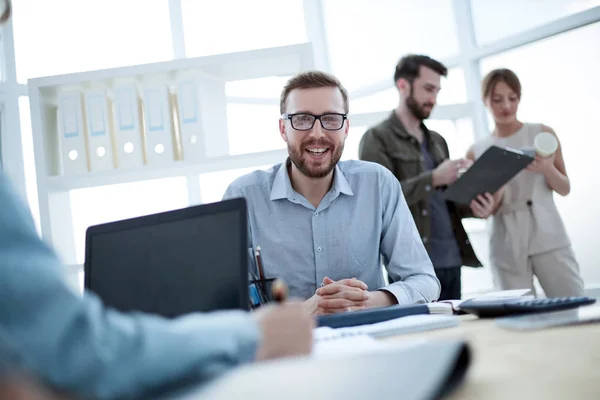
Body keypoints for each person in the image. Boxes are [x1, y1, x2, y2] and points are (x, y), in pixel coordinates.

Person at [0, 1, 313, 399]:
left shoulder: (376, 183)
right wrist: (253, 334)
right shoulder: (245, 191)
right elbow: (76, 350)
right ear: (282, 128)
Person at [223, 70, 440, 315]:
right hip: (286, 348)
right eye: (303, 119)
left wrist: (364, 301)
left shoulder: (378, 184)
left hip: (367, 340)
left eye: (331, 119)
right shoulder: (242, 197)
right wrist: (305, 312)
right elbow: (229, 307)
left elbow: (424, 281)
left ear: (346, 128)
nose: (317, 133)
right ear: (283, 129)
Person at [359, 54, 494, 300]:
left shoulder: (437, 140)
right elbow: (377, 200)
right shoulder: (376, 138)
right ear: (403, 85)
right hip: (413, 268)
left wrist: (476, 207)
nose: (433, 99)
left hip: (452, 257)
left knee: (454, 330)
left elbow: (445, 202)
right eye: (428, 89)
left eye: (437, 91)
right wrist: (432, 178)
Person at [466, 68, 584, 297]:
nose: (506, 106)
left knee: (573, 302)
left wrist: (547, 168)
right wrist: (486, 208)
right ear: (485, 101)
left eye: (512, 98)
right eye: (497, 99)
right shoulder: (477, 150)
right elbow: (484, 205)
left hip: (547, 230)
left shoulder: (541, 133)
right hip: (505, 239)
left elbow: (564, 188)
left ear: (519, 97)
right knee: (517, 314)